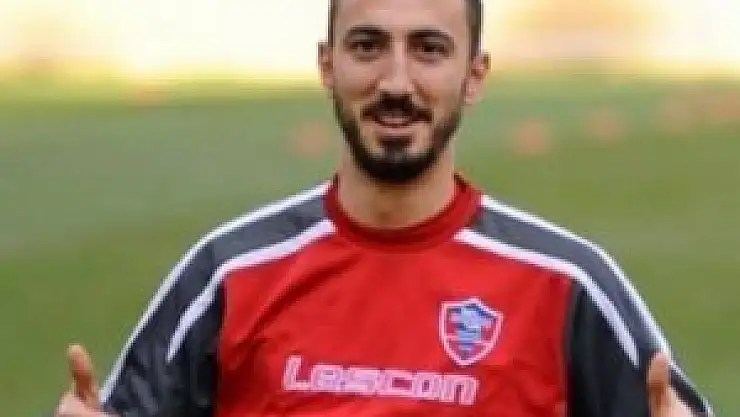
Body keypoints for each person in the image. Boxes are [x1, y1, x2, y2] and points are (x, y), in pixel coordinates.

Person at [53, 0, 713, 416]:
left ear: (474, 75)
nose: (396, 82)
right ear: (327, 66)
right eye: (367, 46)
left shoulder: (569, 285)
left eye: (429, 49)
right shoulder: (230, 274)